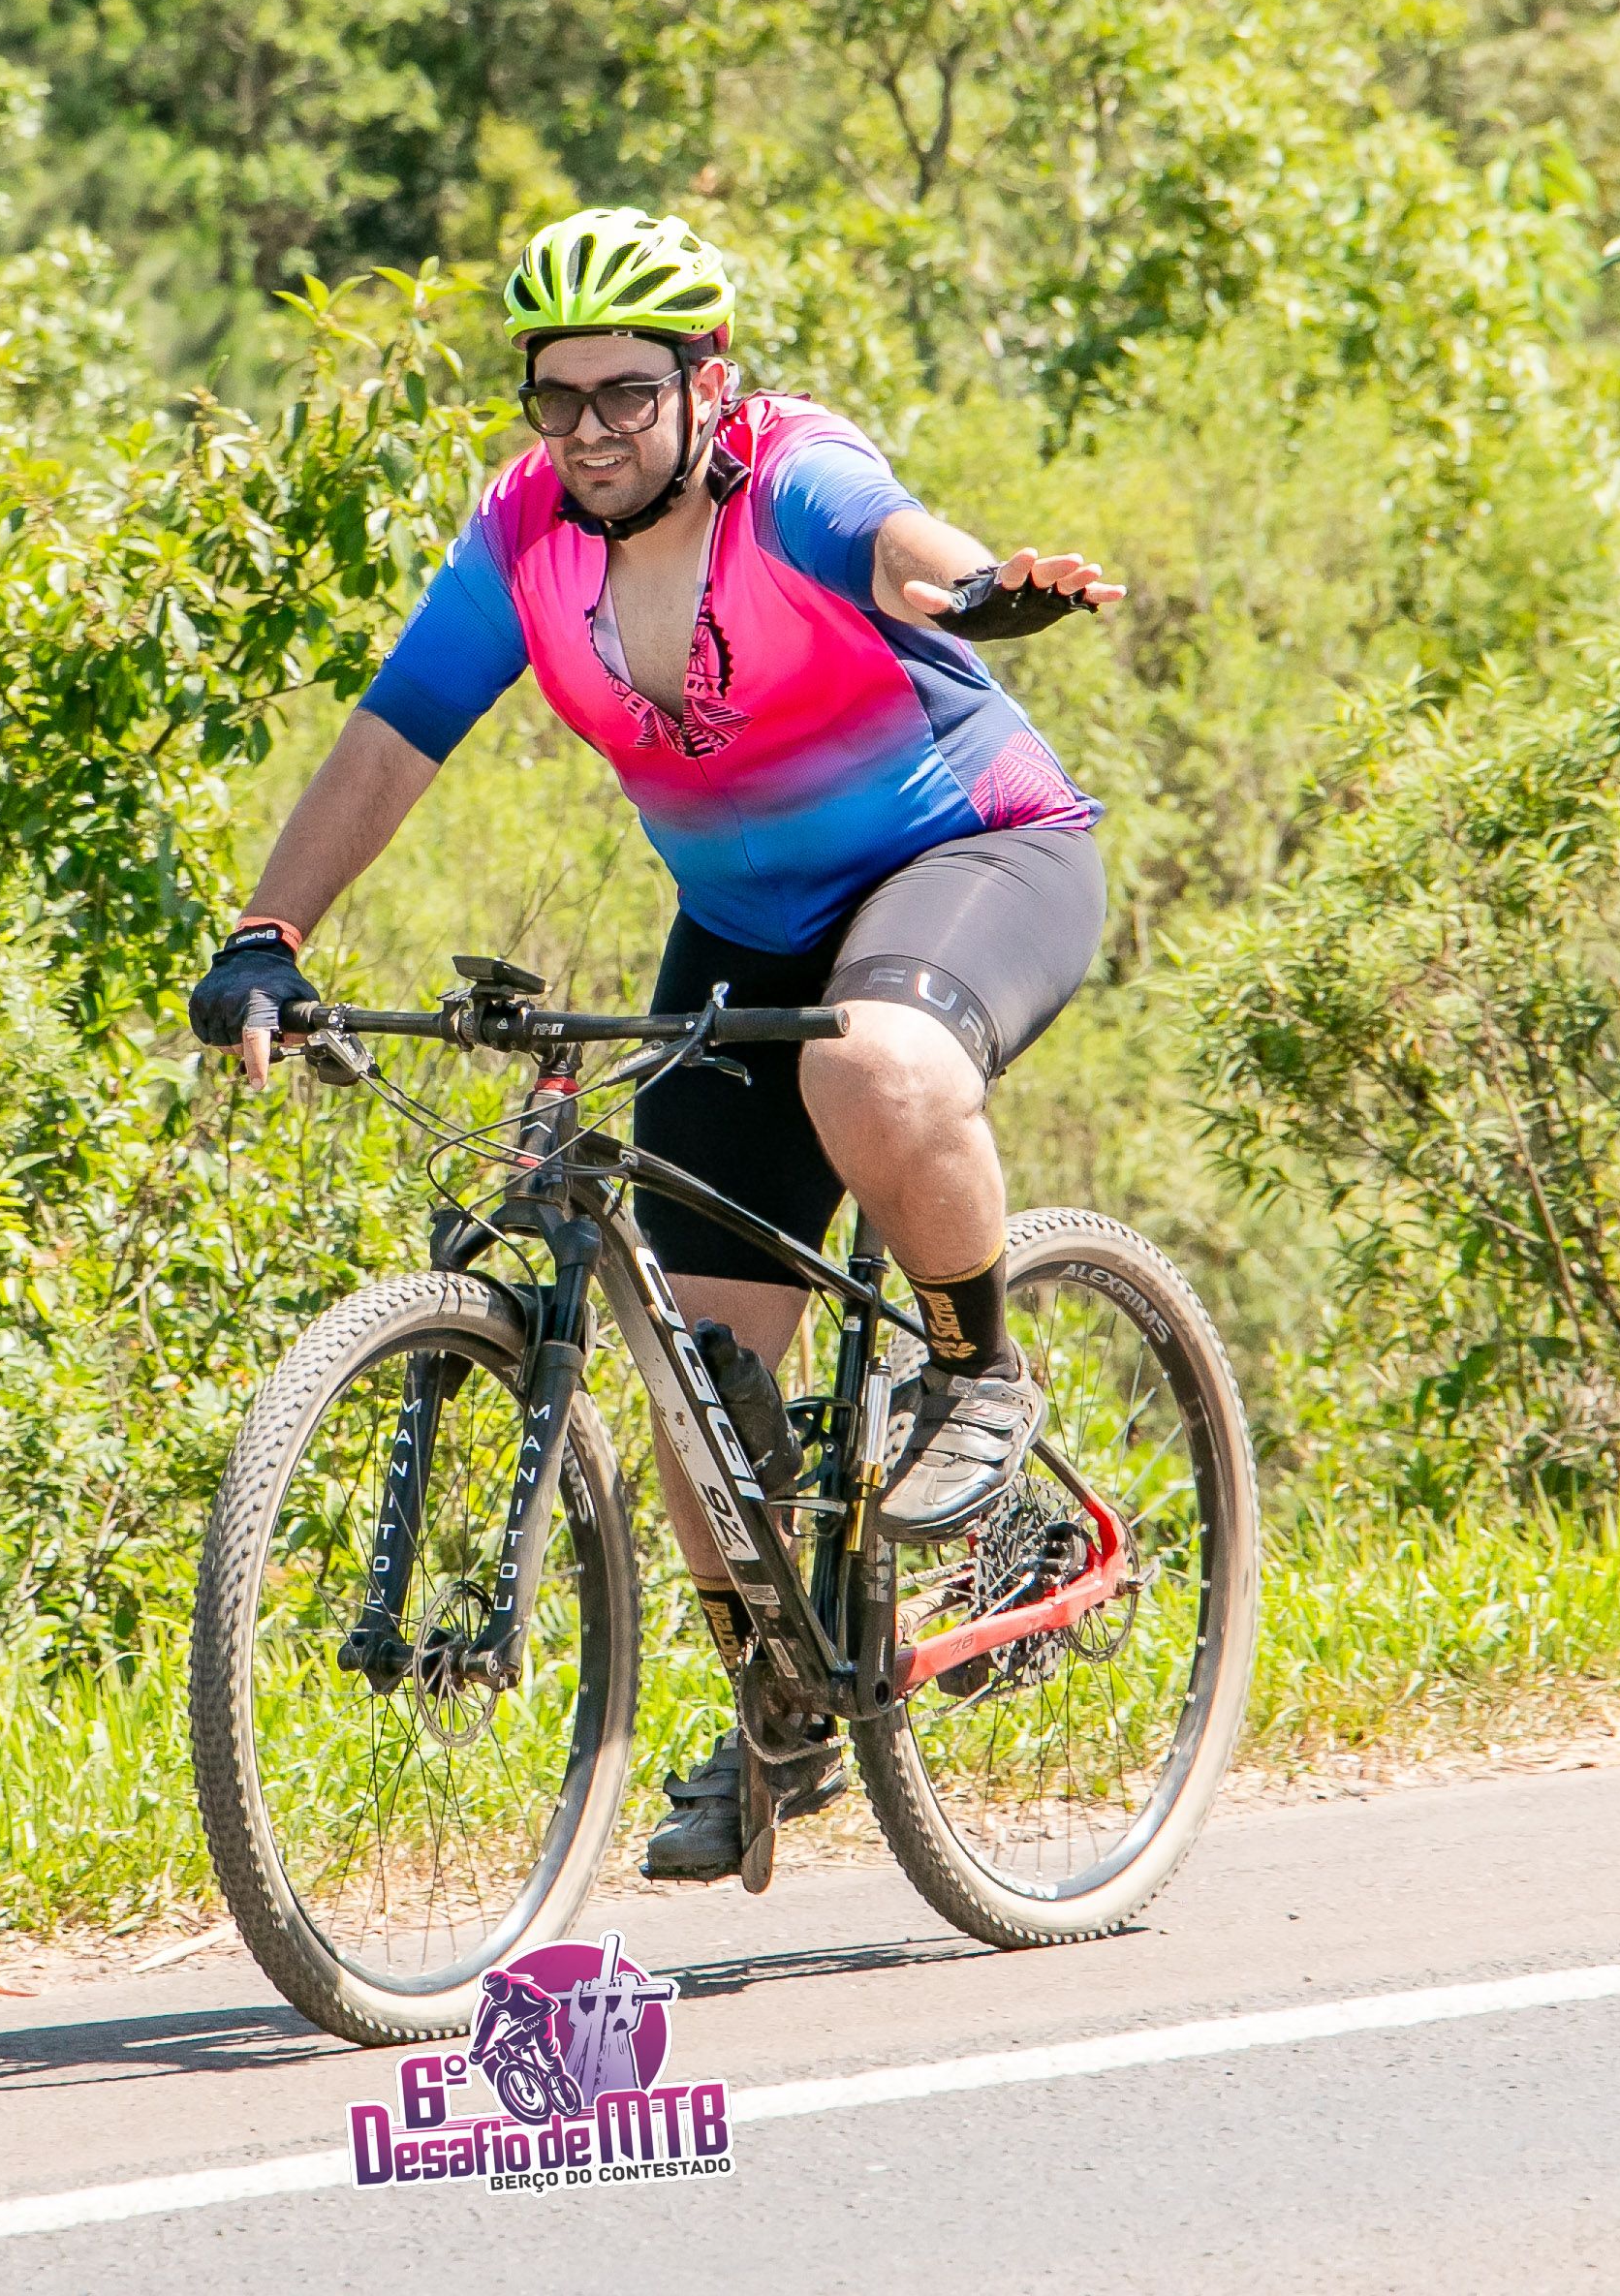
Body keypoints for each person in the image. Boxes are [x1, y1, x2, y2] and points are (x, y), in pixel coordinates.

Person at [185, 206, 1120, 1879]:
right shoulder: (527, 537)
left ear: (709, 383)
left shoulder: (793, 477)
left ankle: (978, 1367)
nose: (593, 430)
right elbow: (395, 735)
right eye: (558, 398)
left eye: (629, 392)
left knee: (872, 1063)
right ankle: (778, 1703)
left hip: (971, 858)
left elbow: (905, 548)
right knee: (696, 1368)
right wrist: (271, 934)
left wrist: (983, 588)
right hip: (747, 932)